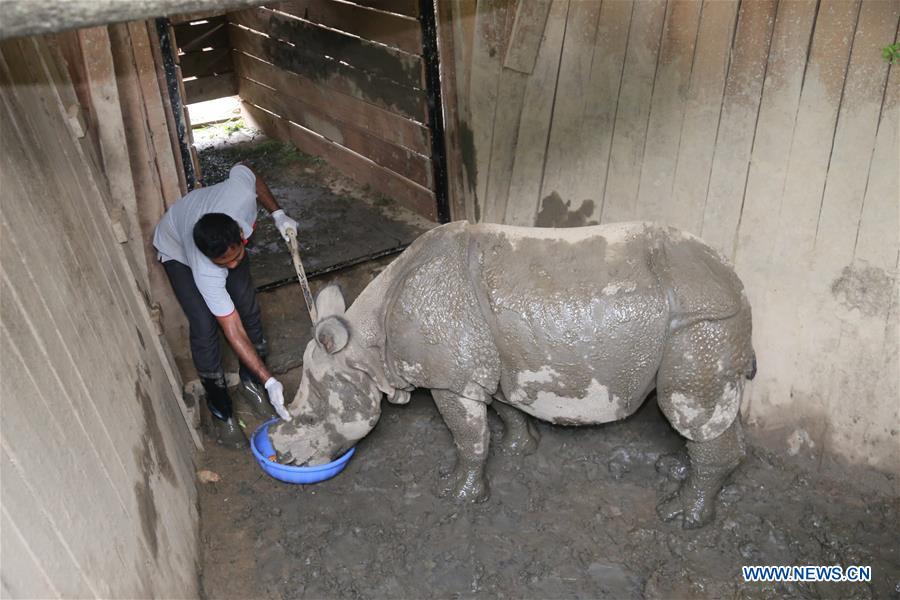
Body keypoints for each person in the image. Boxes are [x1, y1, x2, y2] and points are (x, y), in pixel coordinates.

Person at [153, 163, 296, 447]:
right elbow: (231, 328)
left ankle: (252, 384)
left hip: (215, 225)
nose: (231, 265)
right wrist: (272, 379)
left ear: (240, 236)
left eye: (236, 256)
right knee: (205, 327)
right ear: (210, 259)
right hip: (175, 251)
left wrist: (278, 214)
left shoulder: (239, 196)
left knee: (249, 306)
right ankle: (222, 412)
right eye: (223, 264)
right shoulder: (205, 268)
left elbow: (250, 172)